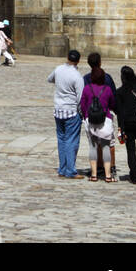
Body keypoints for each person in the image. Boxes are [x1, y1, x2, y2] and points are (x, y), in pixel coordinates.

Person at [48, 49, 85, 178]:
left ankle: (62, 168)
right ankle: (70, 170)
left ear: (67, 58)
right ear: (78, 61)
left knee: (61, 140)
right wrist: (82, 114)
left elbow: (50, 79)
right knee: (71, 141)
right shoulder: (77, 76)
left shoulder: (58, 69)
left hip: (58, 110)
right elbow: (80, 98)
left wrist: (60, 83)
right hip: (71, 111)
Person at [79, 59, 117, 182]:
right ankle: (108, 175)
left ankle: (94, 174)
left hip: (90, 120)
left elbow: (83, 105)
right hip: (105, 120)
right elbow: (112, 104)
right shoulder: (107, 89)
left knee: (92, 147)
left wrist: (86, 116)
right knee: (106, 147)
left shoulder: (87, 88)